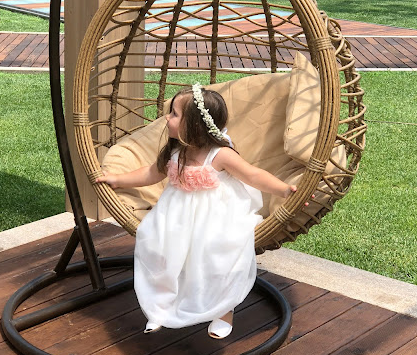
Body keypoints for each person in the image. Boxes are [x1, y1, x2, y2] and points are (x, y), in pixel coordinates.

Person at [96, 83, 296, 339]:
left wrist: (284, 190)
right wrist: (118, 179)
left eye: (174, 114)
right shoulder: (176, 151)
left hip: (216, 215)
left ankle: (223, 310)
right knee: (159, 248)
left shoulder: (220, 154)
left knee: (216, 255)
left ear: (195, 125)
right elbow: (151, 173)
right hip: (176, 213)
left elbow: (253, 175)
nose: (167, 118)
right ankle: (162, 307)